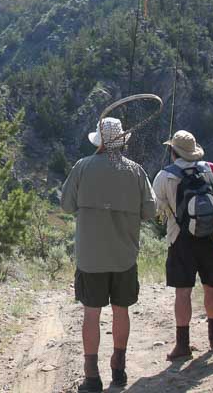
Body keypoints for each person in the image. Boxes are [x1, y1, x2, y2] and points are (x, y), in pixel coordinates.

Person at [61, 117, 156, 391]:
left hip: (90, 258)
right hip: (124, 256)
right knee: (120, 311)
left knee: (91, 314)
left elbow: (67, 206)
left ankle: (91, 376)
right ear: (122, 142)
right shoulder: (136, 171)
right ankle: (119, 368)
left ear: (99, 141)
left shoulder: (82, 167)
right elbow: (150, 212)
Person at [153, 130, 213, 360]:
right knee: (211, 287)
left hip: (179, 239)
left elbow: (154, 208)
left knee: (183, 292)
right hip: (212, 238)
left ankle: (182, 346)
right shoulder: (212, 169)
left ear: (173, 152)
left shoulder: (165, 176)